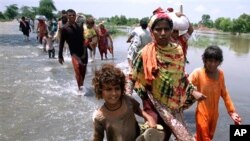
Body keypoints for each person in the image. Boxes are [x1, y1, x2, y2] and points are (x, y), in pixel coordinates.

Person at [131, 11, 205, 141]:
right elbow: (131, 76)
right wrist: (124, 98)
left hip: (174, 104)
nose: (163, 33)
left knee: (167, 135)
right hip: (153, 103)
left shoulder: (178, 50)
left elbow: (181, 76)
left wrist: (192, 91)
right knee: (154, 134)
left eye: (167, 29)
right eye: (158, 29)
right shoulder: (145, 53)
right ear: (151, 31)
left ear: (172, 30)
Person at [188, 45, 242, 141]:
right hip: (202, 112)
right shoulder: (198, 73)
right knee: (205, 138)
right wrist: (193, 92)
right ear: (204, 60)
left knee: (209, 136)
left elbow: (224, 94)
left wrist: (232, 112)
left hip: (214, 114)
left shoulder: (220, 74)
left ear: (219, 62)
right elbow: (184, 85)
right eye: (210, 61)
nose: (212, 64)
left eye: (215, 61)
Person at [91, 63, 156, 141]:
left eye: (117, 88)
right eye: (108, 89)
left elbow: (138, 110)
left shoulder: (127, 100)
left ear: (121, 88)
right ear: (100, 90)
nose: (114, 93)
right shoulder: (99, 117)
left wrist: (149, 118)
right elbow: (97, 138)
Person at [58, 9, 88, 91]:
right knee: (78, 68)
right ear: (67, 16)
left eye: (73, 15)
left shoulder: (79, 26)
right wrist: (60, 56)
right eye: (70, 15)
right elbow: (61, 43)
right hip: (74, 53)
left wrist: (88, 44)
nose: (72, 16)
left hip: (84, 52)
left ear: (75, 16)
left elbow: (84, 38)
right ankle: (80, 90)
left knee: (83, 72)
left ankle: (81, 85)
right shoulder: (64, 29)